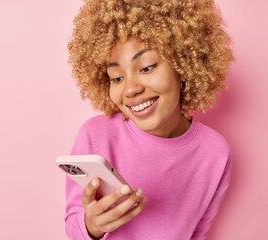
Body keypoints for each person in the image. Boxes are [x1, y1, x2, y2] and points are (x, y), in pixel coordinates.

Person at [65, 0, 235, 239]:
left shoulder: (216, 153)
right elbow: (74, 225)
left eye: (146, 68)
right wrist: (93, 225)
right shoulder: (95, 136)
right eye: (116, 77)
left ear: (183, 65)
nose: (130, 89)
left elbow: (198, 232)